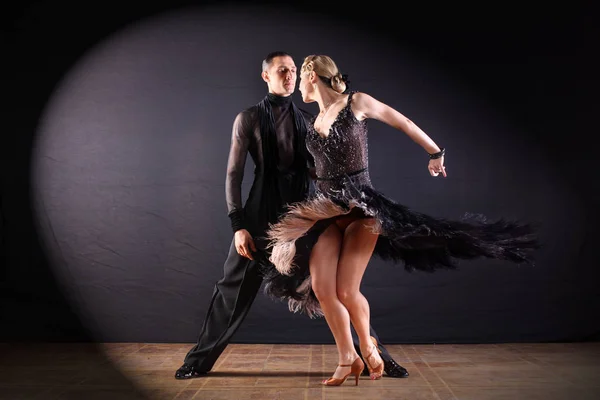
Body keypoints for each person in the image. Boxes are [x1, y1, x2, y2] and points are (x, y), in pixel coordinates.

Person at [263, 54, 539, 386]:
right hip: (324, 212)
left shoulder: (357, 102)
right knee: (323, 290)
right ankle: (347, 358)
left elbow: (402, 122)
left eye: (298, 75)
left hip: (362, 209)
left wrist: (435, 153)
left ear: (311, 76)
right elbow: (320, 167)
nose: (295, 83)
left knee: (347, 291)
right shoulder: (315, 120)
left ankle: (367, 346)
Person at [175, 51, 409, 380]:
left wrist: (352, 194)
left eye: (293, 71)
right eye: (282, 70)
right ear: (266, 76)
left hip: (301, 220)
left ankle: (375, 356)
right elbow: (233, 176)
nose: (289, 76)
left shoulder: (309, 121)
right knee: (231, 291)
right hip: (258, 221)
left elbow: (323, 171)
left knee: (340, 290)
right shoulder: (248, 118)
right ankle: (196, 362)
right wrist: (237, 226)